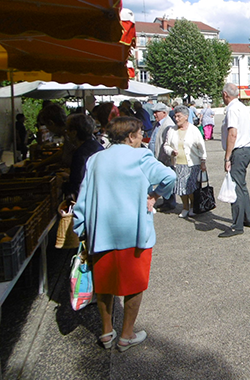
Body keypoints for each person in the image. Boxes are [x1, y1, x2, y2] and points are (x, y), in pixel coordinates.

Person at [73, 117, 176, 352]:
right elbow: (169, 177)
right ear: (130, 137)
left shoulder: (95, 159)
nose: (143, 138)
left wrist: (80, 227)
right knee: (134, 285)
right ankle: (126, 335)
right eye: (140, 134)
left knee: (104, 285)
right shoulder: (140, 156)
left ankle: (106, 332)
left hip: (101, 232)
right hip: (134, 231)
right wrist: (155, 196)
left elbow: (83, 197)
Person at [220, 83, 250, 238]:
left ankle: (237, 225)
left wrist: (227, 157)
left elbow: (232, 133)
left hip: (238, 151)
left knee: (236, 188)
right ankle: (247, 218)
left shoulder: (232, 109)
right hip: (246, 149)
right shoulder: (242, 107)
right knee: (242, 186)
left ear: (225, 94)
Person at [163, 106, 207, 218]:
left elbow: (201, 147)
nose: (176, 118)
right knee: (181, 188)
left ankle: (193, 206)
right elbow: (166, 145)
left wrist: (203, 161)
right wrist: (171, 151)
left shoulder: (194, 130)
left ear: (186, 117)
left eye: (179, 116)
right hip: (178, 163)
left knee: (191, 188)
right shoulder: (171, 130)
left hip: (192, 164)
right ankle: (185, 207)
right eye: (175, 116)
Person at [63, 114, 104, 199]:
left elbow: (77, 186)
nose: (66, 133)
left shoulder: (80, 154)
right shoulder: (96, 145)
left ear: (74, 133)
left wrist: (63, 184)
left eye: (67, 130)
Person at [148, 103, 177, 212]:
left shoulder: (168, 125)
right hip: (157, 157)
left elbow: (167, 142)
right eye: (154, 112)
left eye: (156, 112)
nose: (154, 114)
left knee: (167, 180)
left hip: (164, 158)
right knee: (163, 180)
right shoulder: (158, 123)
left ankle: (169, 203)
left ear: (164, 113)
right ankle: (166, 201)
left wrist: (165, 158)